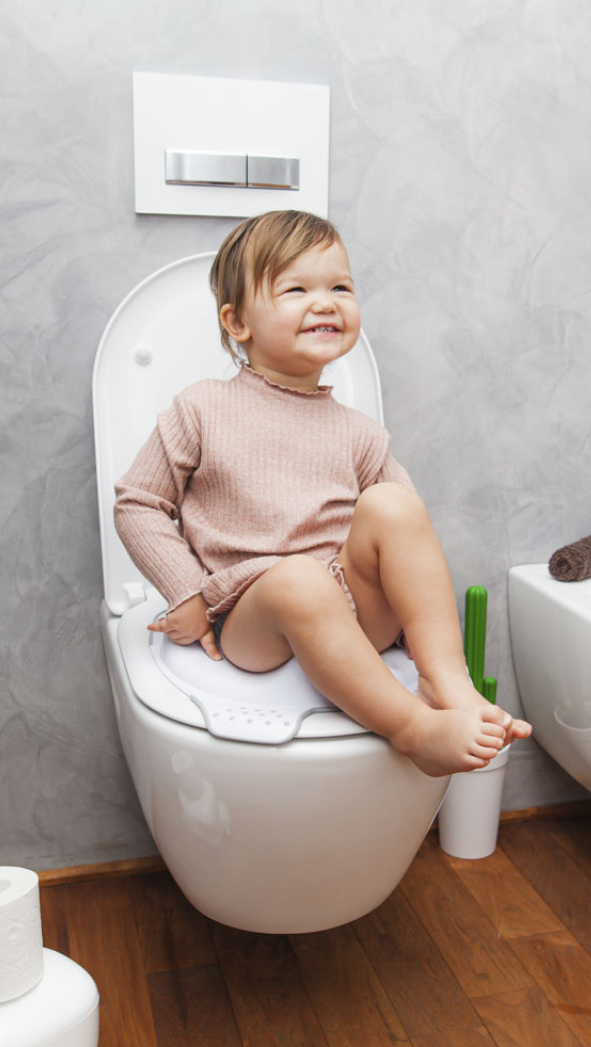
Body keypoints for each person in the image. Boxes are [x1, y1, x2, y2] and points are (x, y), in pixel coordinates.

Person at [114, 210, 531, 776]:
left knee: (395, 504)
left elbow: (407, 544)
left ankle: (445, 680)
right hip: (255, 616)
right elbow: (140, 502)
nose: (326, 303)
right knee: (300, 580)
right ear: (237, 322)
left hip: (350, 607)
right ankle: (411, 727)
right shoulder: (202, 408)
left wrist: (416, 633)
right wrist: (186, 592)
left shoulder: (360, 433)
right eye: (296, 290)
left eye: (340, 288)